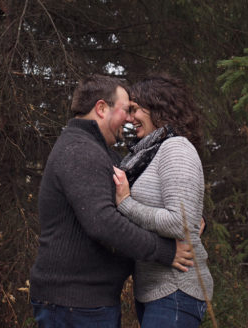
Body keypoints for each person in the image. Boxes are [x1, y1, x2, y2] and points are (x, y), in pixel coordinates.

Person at [30, 74, 194, 328]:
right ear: (101, 108)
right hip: (74, 304)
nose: (129, 119)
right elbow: (103, 222)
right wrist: (165, 251)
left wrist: (193, 215)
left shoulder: (98, 152)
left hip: (85, 303)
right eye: (125, 110)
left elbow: (145, 191)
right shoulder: (80, 151)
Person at [112, 74, 213, 328]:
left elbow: (181, 224)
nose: (130, 119)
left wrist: (126, 204)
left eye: (135, 109)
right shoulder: (148, 154)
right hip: (154, 290)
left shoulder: (176, 148)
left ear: (158, 107)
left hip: (176, 288)